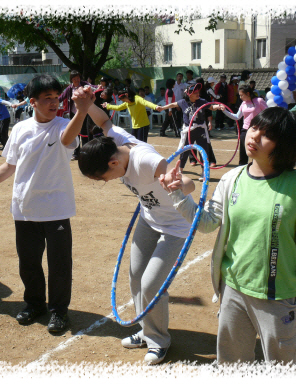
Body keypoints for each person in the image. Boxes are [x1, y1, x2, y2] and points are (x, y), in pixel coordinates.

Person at [159, 107, 296, 365]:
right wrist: (177, 195)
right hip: (233, 289)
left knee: (283, 367)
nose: (254, 136)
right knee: (232, 365)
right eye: (254, 127)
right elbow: (208, 222)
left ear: (284, 145)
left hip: (278, 297)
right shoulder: (232, 179)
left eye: (266, 134)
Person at [76, 86, 196, 364]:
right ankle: (146, 329)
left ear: (114, 162)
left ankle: (159, 341)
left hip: (175, 228)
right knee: (135, 276)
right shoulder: (115, 142)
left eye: (103, 177)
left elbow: (188, 183)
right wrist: (85, 106)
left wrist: (178, 184)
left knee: (152, 284)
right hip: (148, 218)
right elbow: (105, 122)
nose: (106, 182)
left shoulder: (145, 161)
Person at [0, 75, 93, 333]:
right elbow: (9, 166)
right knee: (28, 263)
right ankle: (34, 304)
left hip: (56, 209)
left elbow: (67, 141)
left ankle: (58, 311)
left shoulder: (64, 125)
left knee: (59, 266)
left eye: (56, 97)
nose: (54, 103)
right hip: (24, 209)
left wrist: (82, 111)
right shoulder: (20, 129)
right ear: (32, 102)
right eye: (47, 99)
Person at [159, 83, 220, 181]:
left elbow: (211, 107)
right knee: (184, 151)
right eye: (195, 92)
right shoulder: (183, 102)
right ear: (189, 94)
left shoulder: (202, 101)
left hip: (200, 129)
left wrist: (219, 106)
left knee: (204, 150)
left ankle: (204, 172)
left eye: (198, 92)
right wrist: (162, 108)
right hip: (188, 130)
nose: (198, 94)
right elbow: (173, 104)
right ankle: (180, 170)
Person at [220, 85, 268, 165]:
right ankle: (241, 166)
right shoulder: (243, 104)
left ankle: (256, 167)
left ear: (248, 93)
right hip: (245, 130)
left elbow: (268, 113)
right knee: (243, 149)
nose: (240, 97)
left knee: (256, 149)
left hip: (258, 130)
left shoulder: (259, 101)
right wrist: (224, 111)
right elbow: (236, 117)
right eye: (239, 95)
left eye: (241, 95)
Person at [58, 70, 90, 160]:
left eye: (78, 78)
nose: (77, 80)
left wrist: (98, 87)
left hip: (84, 113)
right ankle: (76, 153)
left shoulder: (84, 85)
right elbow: (62, 97)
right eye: (74, 78)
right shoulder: (69, 88)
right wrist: (55, 102)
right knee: (75, 133)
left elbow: (92, 87)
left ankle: (85, 152)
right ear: (71, 79)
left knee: (84, 133)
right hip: (73, 114)